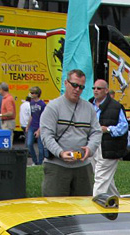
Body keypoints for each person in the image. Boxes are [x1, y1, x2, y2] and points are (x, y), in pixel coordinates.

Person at [38, 68, 101, 197]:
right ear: (66, 83)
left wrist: (90, 148)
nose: (77, 89)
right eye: (74, 85)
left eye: (81, 87)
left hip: (82, 167)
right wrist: (60, 153)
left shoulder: (89, 108)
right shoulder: (53, 107)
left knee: (83, 208)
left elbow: (96, 132)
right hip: (57, 166)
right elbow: (46, 136)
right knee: (56, 209)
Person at [89, 78, 128, 202]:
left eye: (99, 88)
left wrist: (109, 129)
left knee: (100, 178)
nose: (95, 91)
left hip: (109, 147)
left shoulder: (116, 106)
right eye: (94, 88)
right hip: (93, 144)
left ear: (106, 90)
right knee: (106, 178)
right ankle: (118, 202)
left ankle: (95, 208)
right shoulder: (89, 104)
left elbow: (124, 126)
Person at [25, 86, 46, 165]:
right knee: (29, 144)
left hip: (39, 127)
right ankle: (35, 161)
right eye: (31, 93)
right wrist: (27, 126)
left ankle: (40, 162)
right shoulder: (31, 103)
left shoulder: (42, 104)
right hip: (32, 126)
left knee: (40, 147)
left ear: (37, 94)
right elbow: (31, 115)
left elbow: (44, 118)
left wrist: (39, 130)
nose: (32, 94)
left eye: (33, 93)